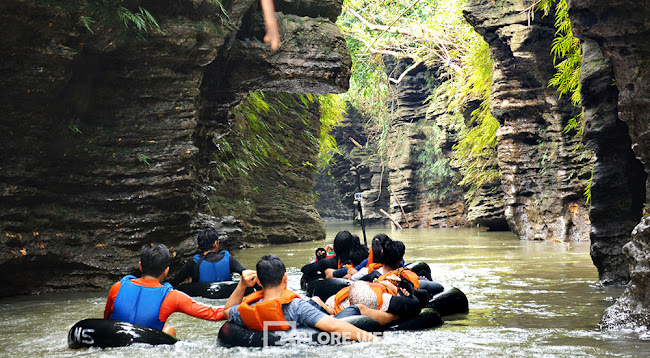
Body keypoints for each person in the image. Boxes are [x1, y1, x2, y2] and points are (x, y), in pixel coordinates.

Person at [224, 254, 380, 342]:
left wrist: (242, 285)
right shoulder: (296, 306)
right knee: (355, 308)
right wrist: (376, 340)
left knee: (317, 301)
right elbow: (334, 326)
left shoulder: (244, 311)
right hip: (310, 337)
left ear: (258, 281)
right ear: (285, 278)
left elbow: (226, 311)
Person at [104, 243, 226, 336]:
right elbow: (213, 314)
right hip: (147, 344)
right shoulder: (171, 296)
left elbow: (107, 320)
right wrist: (241, 295)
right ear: (166, 271)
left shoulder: (117, 287)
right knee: (169, 330)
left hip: (113, 339)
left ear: (140, 266)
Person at [168, 228, 246, 285]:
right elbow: (245, 273)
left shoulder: (192, 263)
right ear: (215, 243)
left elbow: (175, 282)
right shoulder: (228, 259)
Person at [301, 231, 368, 283]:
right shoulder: (363, 255)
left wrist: (322, 263)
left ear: (335, 247)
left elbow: (305, 269)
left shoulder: (330, 262)